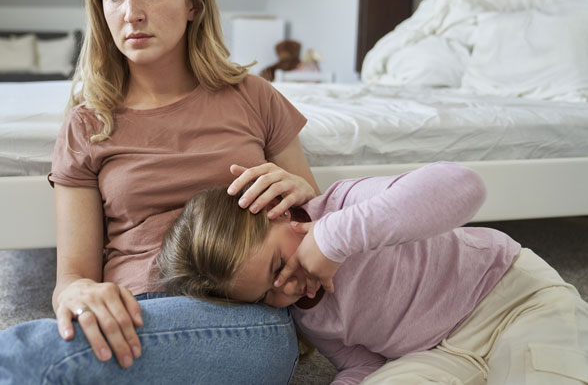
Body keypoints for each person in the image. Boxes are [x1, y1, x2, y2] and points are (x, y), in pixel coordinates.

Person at [0, 0, 320, 383]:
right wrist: (78, 295)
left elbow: (324, 238)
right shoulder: (88, 123)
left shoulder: (253, 96)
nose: (130, 12)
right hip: (125, 313)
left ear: (193, 2)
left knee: (17, 360)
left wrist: (302, 197)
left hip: (242, 320)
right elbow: (72, 275)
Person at [157, 161, 588, 384]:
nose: (286, 289)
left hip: (513, 299)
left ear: (279, 212)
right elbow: (364, 362)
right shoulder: (309, 312)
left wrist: (331, 241)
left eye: (278, 265)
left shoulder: (346, 205)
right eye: (266, 296)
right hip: (435, 354)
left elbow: (465, 185)